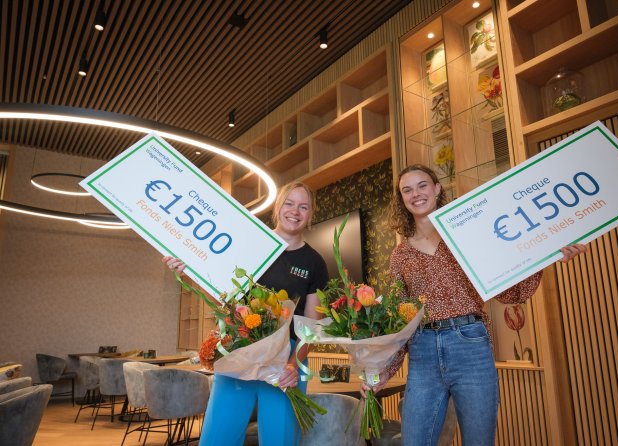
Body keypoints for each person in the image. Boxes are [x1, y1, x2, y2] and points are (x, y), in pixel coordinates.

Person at [364, 164, 587, 446]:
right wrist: (381, 372)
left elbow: (510, 292)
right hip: (422, 353)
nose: (416, 194)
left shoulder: (467, 236)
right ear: (402, 199)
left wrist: (547, 254)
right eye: (407, 190)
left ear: (437, 189)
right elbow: (400, 323)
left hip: (470, 344)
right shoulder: (400, 254)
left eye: (422, 185)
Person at [164, 181, 328, 446]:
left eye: (303, 207)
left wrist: (291, 365)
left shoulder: (314, 263)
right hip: (238, 352)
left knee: (280, 440)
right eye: (289, 203)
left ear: (310, 215)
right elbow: (220, 289)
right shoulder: (250, 243)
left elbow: (310, 327)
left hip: (286, 361)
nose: (295, 211)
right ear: (278, 207)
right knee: (218, 438)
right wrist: (187, 269)